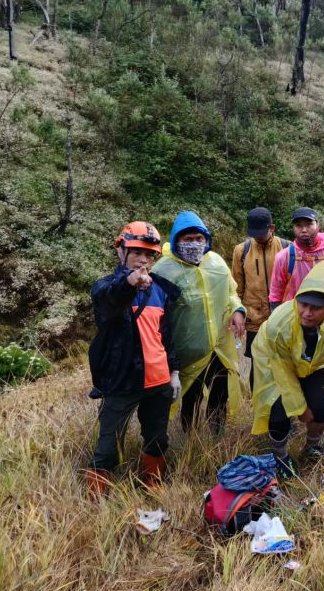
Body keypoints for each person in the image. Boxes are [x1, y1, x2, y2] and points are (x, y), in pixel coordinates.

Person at [86, 222, 181, 497]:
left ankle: (153, 486)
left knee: (157, 439)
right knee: (108, 444)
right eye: (137, 251)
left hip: (159, 381)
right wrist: (129, 282)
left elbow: (166, 336)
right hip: (121, 381)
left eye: (150, 254)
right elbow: (108, 301)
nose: (144, 259)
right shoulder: (105, 287)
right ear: (121, 250)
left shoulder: (161, 290)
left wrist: (174, 371)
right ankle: (97, 498)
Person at [251, 262, 324, 478]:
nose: (307, 313)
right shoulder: (279, 324)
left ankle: (312, 446)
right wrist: (299, 408)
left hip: (311, 366)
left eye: (315, 308)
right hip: (274, 365)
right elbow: (283, 371)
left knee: (323, 403)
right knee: (279, 411)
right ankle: (280, 457)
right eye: (303, 305)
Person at [152, 211, 246, 434]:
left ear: (206, 240)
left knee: (219, 392)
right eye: (188, 239)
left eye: (199, 238)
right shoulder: (163, 271)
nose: (194, 244)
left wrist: (237, 309)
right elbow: (156, 314)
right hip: (188, 351)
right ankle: (190, 438)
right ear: (176, 240)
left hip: (219, 346)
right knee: (190, 396)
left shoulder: (215, 262)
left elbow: (230, 291)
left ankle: (216, 434)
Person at [231, 207, 289, 391]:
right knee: (258, 364)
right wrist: (236, 311)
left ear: (272, 227)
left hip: (283, 318)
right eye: (253, 233)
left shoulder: (288, 248)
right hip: (255, 318)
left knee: (284, 363)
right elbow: (236, 288)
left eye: (261, 233)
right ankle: (259, 410)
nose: (257, 237)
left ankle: (285, 409)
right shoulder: (241, 250)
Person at [268, 207, 324, 311]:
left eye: (309, 224)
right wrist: (276, 316)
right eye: (298, 225)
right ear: (293, 228)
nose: (304, 230)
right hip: (294, 317)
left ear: (317, 225)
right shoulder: (283, 257)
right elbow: (276, 292)